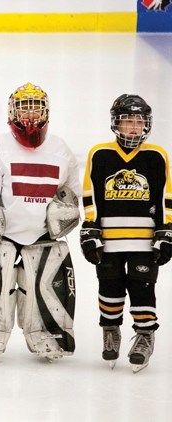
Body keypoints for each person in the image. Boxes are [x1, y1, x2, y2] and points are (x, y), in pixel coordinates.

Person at [0, 82, 81, 362]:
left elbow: (71, 198)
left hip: (43, 235)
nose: (30, 116)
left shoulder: (61, 150)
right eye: (24, 109)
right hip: (1, 237)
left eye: (36, 109)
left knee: (45, 282)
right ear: (11, 112)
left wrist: (63, 214)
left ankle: (46, 333)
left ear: (46, 111)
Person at [79, 94, 171, 373]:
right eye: (127, 121)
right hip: (109, 240)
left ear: (146, 125)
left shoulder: (156, 156)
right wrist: (90, 228)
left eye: (138, 121)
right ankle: (111, 330)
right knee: (109, 288)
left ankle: (144, 336)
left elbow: (166, 194)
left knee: (143, 287)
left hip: (144, 241)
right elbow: (90, 192)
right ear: (116, 124)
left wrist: (166, 230)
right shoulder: (100, 154)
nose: (132, 127)